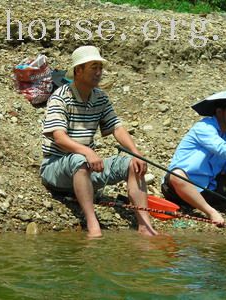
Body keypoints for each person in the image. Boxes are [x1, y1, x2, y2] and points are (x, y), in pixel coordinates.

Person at [40, 45, 158, 238]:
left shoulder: (100, 98)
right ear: (78, 71)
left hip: (87, 168)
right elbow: (59, 137)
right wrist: (86, 152)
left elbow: (117, 128)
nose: (99, 72)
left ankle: (145, 225)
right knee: (80, 160)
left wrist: (135, 152)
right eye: (93, 67)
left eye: (100, 68)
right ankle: (92, 224)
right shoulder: (60, 97)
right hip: (56, 167)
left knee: (132, 164)